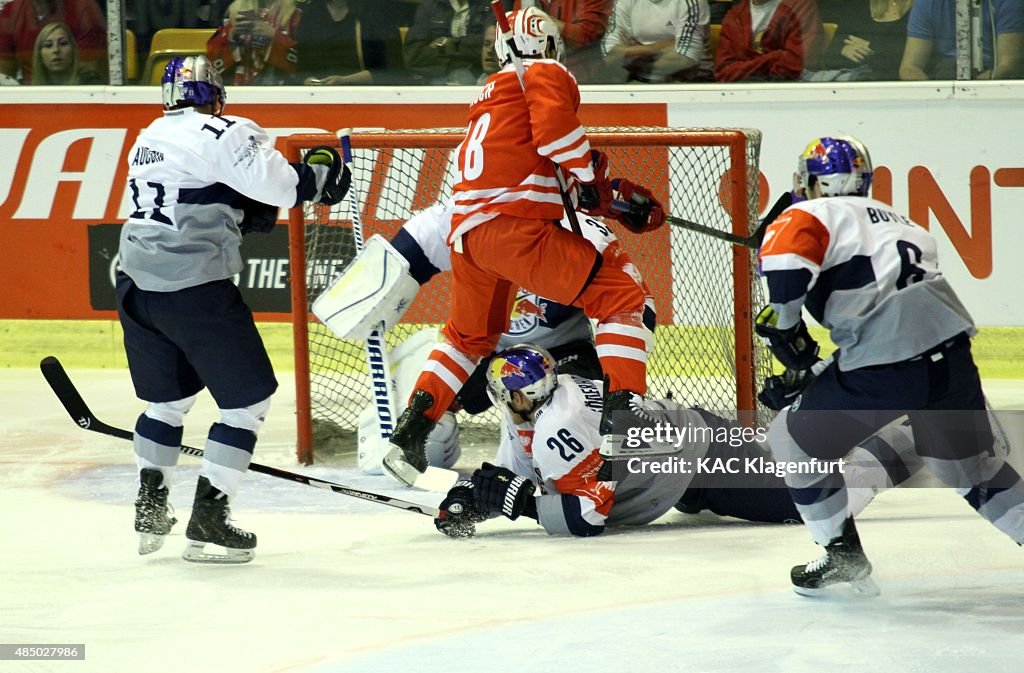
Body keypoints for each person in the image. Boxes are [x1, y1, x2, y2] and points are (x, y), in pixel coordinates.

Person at [382, 7, 667, 487]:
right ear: (550, 45)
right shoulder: (544, 72)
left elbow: (538, 169)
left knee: (468, 337)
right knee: (621, 297)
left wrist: (609, 195)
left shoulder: (491, 97)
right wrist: (594, 175)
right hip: (514, 232)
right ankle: (625, 420)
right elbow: (559, 138)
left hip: (469, 239)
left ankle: (413, 428)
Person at [757, 136, 1024, 595]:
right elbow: (891, 324)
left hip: (886, 364)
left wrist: (784, 328)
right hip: (951, 358)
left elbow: (786, 262)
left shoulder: (809, 213)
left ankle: (842, 562)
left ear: (813, 182)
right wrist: (811, 373)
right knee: (967, 469)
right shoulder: (904, 223)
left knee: (790, 438)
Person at [118, 55, 351, 563]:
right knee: (246, 405)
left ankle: (150, 506)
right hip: (191, 288)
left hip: (135, 283)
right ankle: (209, 521)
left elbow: (200, 195)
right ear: (213, 93)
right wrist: (317, 175)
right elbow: (285, 187)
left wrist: (241, 212)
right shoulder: (220, 131)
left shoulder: (149, 136)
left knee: (167, 404)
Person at [433, 344, 923, 538]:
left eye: (508, 394)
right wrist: (479, 500)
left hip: (704, 458)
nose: (504, 400)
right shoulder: (536, 405)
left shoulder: (558, 424)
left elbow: (589, 517)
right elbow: (518, 475)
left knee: (815, 500)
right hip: (681, 452)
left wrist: (518, 505)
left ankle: (914, 439)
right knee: (784, 461)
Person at [899, 0, 1023, 80]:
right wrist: (934, 95)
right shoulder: (927, 3)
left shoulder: (1008, 2)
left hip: (991, 82)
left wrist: (973, 91)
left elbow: (1008, 66)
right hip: (942, 78)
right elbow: (910, 67)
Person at [297, 0, 407, 85]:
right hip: (316, 96)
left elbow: (392, 70)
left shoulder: (376, 13)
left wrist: (345, 80)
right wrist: (307, 80)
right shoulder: (311, 13)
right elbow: (301, 66)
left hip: (366, 97)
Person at [600, 0, 712, 83]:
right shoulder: (624, 2)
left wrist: (630, 51)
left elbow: (685, 58)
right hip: (637, 79)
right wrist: (656, 48)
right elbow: (609, 53)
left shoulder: (691, 2)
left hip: (691, 82)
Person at [713, 0, 824, 83]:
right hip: (744, 92)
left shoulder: (801, 5)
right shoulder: (735, 15)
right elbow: (723, 73)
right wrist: (775, 57)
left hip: (794, 90)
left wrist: (747, 66)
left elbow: (799, 64)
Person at [0, 0, 106, 84]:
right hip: (28, 100)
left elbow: (86, 80)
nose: (55, 50)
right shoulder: (11, 11)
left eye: (63, 43)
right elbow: (4, 79)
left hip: (74, 99)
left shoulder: (84, 8)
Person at [515, 0, 613, 83]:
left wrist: (542, 23)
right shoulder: (525, 1)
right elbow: (516, 38)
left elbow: (587, 35)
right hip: (535, 80)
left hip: (584, 84)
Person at [206, 0, 302, 85]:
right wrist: (230, 36)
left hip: (282, 86)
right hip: (236, 86)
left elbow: (305, 58)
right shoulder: (235, 9)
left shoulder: (296, 13)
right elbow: (212, 58)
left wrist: (273, 34)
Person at [403, 0, 496, 85]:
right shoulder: (430, 6)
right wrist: (460, 64)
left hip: (480, 79)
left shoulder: (491, 4)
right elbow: (413, 57)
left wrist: (447, 43)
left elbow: (491, 45)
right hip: (437, 80)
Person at [819, 0, 914, 81]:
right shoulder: (858, 6)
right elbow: (829, 57)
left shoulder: (923, 9)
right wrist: (843, 51)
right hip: (852, 87)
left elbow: (913, 59)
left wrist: (874, 50)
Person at [31, 21, 97, 84]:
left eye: (63, 43)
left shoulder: (91, 82)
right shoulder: (29, 90)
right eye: (48, 45)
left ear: (73, 50)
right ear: (40, 55)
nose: (56, 50)